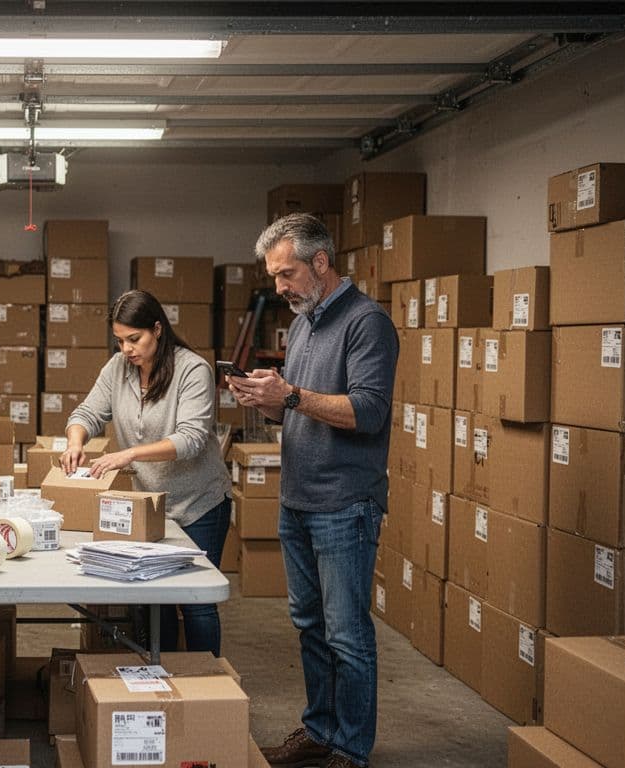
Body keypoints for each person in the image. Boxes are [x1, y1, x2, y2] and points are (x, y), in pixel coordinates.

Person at [227, 213, 398, 768]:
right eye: (274, 276)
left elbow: (368, 412)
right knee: (310, 625)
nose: (279, 287)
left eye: (287, 273)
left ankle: (351, 748)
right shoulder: (303, 323)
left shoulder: (366, 323)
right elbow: (300, 409)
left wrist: (292, 395)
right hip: (298, 499)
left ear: (320, 263)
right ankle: (321, 731)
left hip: (344, 504)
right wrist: (267, 401)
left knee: (347, 634)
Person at [60, 289, 233, 655]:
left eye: (134, 339)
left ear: (157, 329)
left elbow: (191, 440)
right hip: (151, 506)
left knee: (196, 601)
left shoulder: (193, 370)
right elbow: (86, 414)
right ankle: (161, 677)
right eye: (120, 340)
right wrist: (75, 442)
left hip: (198, 504)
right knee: (153, 597)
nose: (126, 349)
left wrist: (129, 455)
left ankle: (206, 686)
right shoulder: (117, 369)